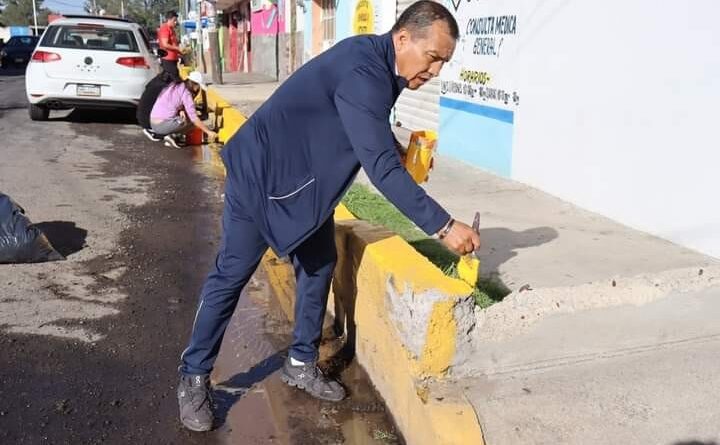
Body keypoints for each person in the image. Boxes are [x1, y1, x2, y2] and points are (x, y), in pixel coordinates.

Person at [176, 0, 480, 432]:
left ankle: (300, 362)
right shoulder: (366, 72)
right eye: (432, 57)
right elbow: (382, 171)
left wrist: (392, 146)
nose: (435, 71)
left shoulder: (381, 64)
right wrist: (444, 227)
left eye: (443, 63)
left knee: (319, 263)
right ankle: (193, 376)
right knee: (232, 273)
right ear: (403, 38)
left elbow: (361, 120)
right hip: (261, 176)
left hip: (303, 184)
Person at [149, 71, 217, 148]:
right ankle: (173, 136)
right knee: (189, 122)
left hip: (153, 122)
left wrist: (181, 110)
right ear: (194, 85)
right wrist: (208, 132)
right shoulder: (187, 94)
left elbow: (172, 101)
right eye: (198, 86)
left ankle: (173, 135)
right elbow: (194, 118)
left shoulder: (176, 85)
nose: (198, 89)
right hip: (161, 125)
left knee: (186, 118)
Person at [157, 11, 183, 81]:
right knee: (175, 81)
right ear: (169, 19)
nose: (175, 22)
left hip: (173, 59)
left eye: (176, 20)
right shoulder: (165, 28)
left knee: (175, 79)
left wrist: (180, 52)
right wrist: (177, 48)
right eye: (174, 20)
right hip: (167, 60)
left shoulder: (171, 29)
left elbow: (173, 44)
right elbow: (165, 44)